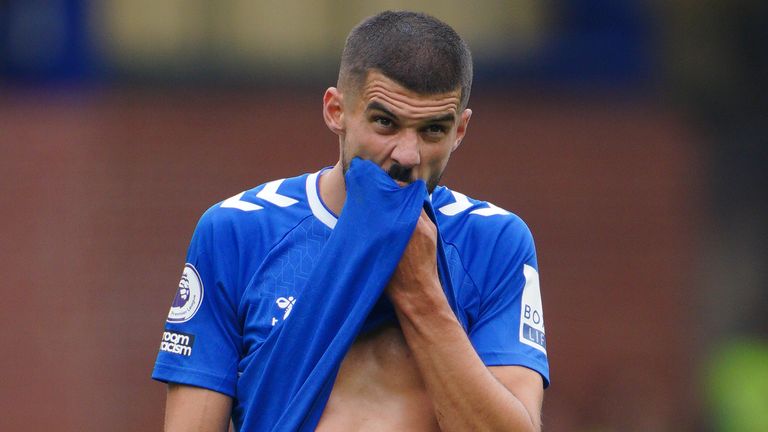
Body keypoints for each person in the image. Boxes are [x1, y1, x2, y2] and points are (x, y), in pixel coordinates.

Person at [153, 10, 549, 431]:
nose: (407, 155)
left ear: (461, 130)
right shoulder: (237, 231)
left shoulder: (494, 242)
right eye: (385, 123)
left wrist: (420, 294)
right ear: (336, 110)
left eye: (433, 130)